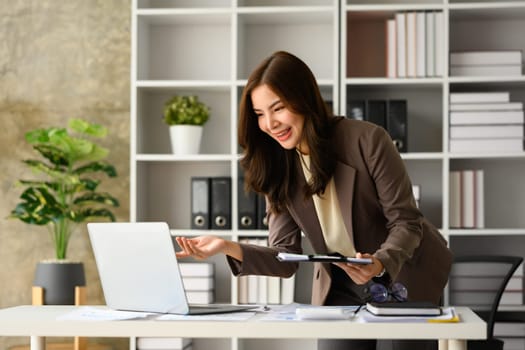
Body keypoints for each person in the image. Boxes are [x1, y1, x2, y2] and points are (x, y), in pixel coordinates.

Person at [176, 51, 453, 350]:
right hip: (342, 286)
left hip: (401, 273)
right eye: (259, 114)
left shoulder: (367, 140)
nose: (269, 123)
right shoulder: (278, 166)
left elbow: (406, 222)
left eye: (278, 108)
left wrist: (380, 263)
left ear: (304, 98)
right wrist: (228, 247)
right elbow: (285, 258)